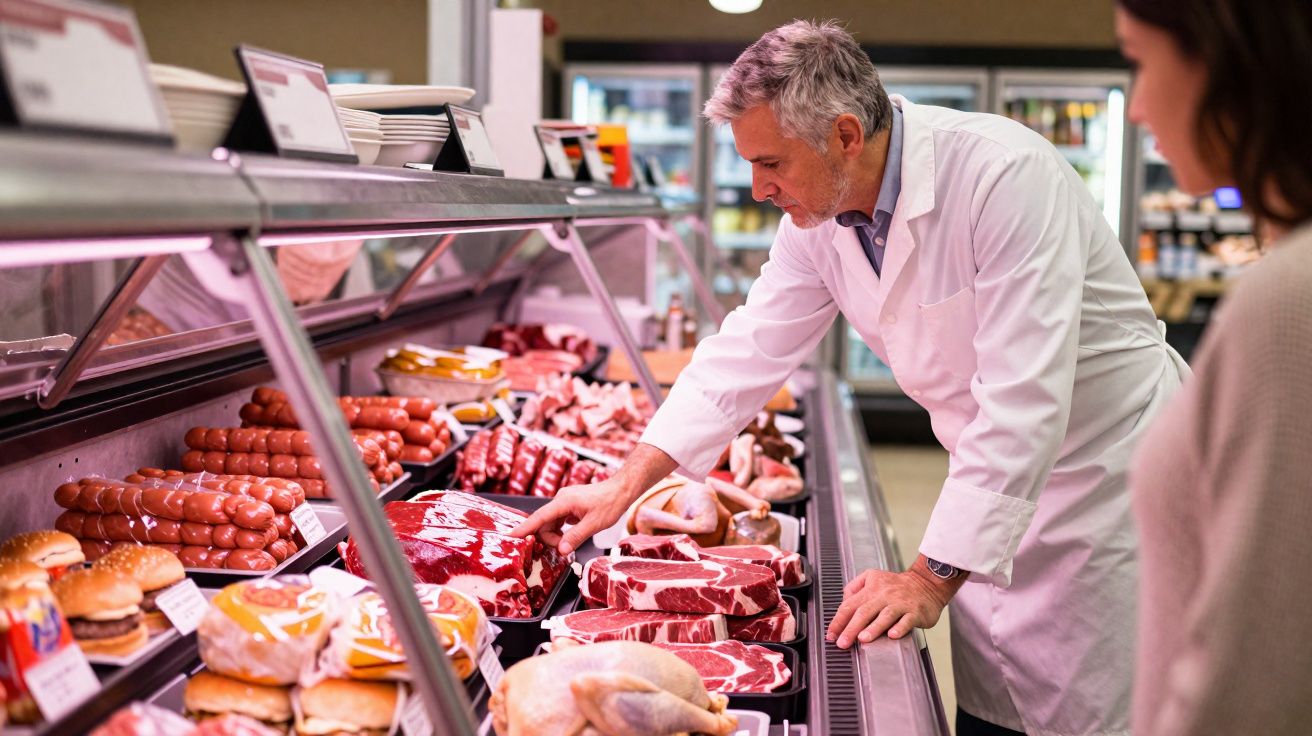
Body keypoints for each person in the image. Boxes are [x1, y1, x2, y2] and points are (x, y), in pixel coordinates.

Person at [516, 20, 1188, 735]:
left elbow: (1023, 400)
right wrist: (624, 485)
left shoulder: (1004, 176)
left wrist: (928, 578)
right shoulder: (819, 221)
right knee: (999, 708)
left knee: (1098, 715)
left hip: (1105, 487)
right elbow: (747, 348)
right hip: (991, 487)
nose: (759, 188)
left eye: (771, 163)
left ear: (844, 135)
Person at [1115, 2, 1312, 734]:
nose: (1135, 107)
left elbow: (1248, 689)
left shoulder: (1288, 302)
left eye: (1140, 59)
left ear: (1227, 61)